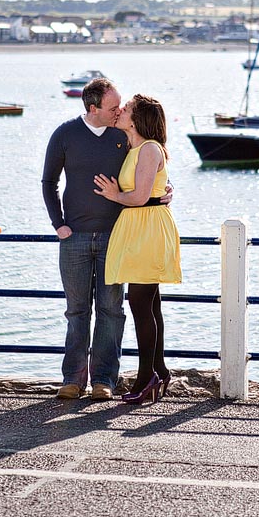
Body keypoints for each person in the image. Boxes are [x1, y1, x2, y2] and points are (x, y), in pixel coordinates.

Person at [41, 77, 172, 401]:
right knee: (77, 311)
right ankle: (73, 380)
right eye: (113, 107)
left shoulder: (123, 135)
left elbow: (150, 167)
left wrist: (165, 193)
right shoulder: (65, 134)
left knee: (112, 310)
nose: (118, 111)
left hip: (118, 236)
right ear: (93, 107)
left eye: (121, 107)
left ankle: (104, 381)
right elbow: (49, 181)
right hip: (75, 237)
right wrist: (58, 224)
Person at [94, 94, 182, 405]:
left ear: (137, 118)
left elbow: (141, 196)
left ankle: (148, 378)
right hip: (140, 228)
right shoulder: (135, 148)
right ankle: (159, 371)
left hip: (147, 228)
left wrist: (114, 194)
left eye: (127, 108)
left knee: (142, 305)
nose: (121, 111)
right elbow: (155, 189)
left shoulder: (148, 149)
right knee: (150, 304)